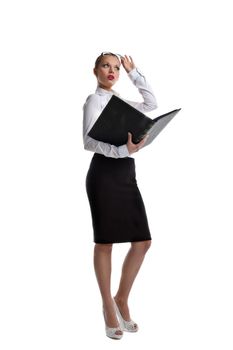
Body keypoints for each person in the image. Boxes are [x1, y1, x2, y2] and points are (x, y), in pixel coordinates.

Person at [83, 52, 158, 339]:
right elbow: (88, 141)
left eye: (116, 67)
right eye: (106, 65)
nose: (112, 71)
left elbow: (151, 104)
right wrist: (123, 150)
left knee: (143, 241)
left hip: (126, 174)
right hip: (103, 175)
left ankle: (122, 297)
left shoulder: (121, 102)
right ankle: (107, 306)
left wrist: (134, 72)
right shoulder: (94, 101)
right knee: (105, 242)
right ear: (95, 71)